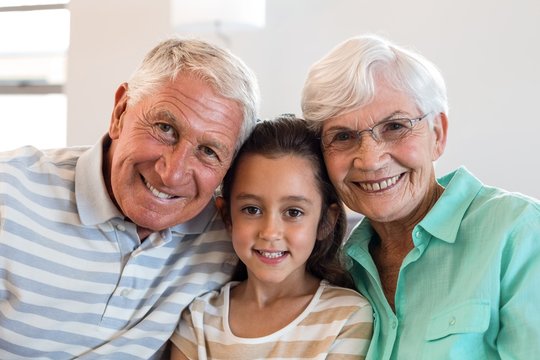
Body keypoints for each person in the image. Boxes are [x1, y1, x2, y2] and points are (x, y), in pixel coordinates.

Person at [0, 38, 259, 359]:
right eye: (165, 128)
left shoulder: (235, 238)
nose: (172, 174)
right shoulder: (8, 193)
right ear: (120, 112)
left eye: (208, 151)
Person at [301, 34, 540, 359]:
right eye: (343, 136)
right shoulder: (338, 270)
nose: (370, 160)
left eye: (395, 127)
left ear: (437, 134)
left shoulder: (520, 231)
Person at [169, 115, 373, 359]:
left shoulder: (346, 316)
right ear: (227, 216)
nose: (270, 232)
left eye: (293, 212)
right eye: (252, 209)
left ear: (325, 221)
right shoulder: (199, 319)